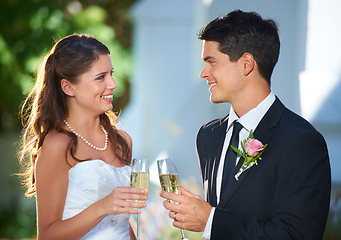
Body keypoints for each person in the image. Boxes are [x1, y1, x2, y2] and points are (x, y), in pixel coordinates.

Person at [160, 10, 331, 239]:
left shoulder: (301, 141)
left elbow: (296, 235)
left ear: (246, 64)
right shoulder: (208, 136)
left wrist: (210, 219)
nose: (204, 73)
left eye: (211, 62)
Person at [18, 34, 147, 239]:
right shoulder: (57, 144)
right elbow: (47, 235)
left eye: (111, 73)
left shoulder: (122, 142)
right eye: (101, 77)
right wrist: (103, 206)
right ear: (69, 87)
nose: (113, 84)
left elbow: (122, 223)